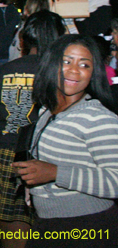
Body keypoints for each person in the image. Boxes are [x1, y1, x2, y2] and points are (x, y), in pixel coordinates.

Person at [14, 35, 118, 247]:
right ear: (52, 64)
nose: (74, 70)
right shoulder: (46, 110)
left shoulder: (97, 118)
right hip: (48, 221)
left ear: (92, 73)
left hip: (88, 227)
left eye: (84, 64)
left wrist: (55, 173)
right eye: (67, 61)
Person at [0, 11, 66, 247]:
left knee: (14, 234)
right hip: (57, 158)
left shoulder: (3, 72)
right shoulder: (68, 74)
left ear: (23, 40)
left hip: (10, 157)